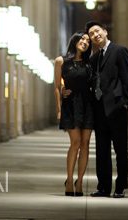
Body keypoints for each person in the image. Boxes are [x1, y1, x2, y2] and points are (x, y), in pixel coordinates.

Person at [85, 20, 128, 198]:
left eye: (97, 31)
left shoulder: (120, 51)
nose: (95, 35)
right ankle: (103, 187)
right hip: (99, 111)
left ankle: (120, 187)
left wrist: (127, 103)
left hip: (117, 109)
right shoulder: (94, 58)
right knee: (102, 150)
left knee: (120, 150)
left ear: (105, 32)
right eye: (91, 34)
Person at [54, 32, 94, 196]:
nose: (85, 42)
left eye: (88, 41)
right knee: (75, 142)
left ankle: (80, 182)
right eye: (82, 39)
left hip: (88, 105)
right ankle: (69, 180)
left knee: (85, 144)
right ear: (75, 40)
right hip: (71, 105)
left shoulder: (89, 63)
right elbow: (57, 87)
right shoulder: (61, 61)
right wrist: (58, 109)